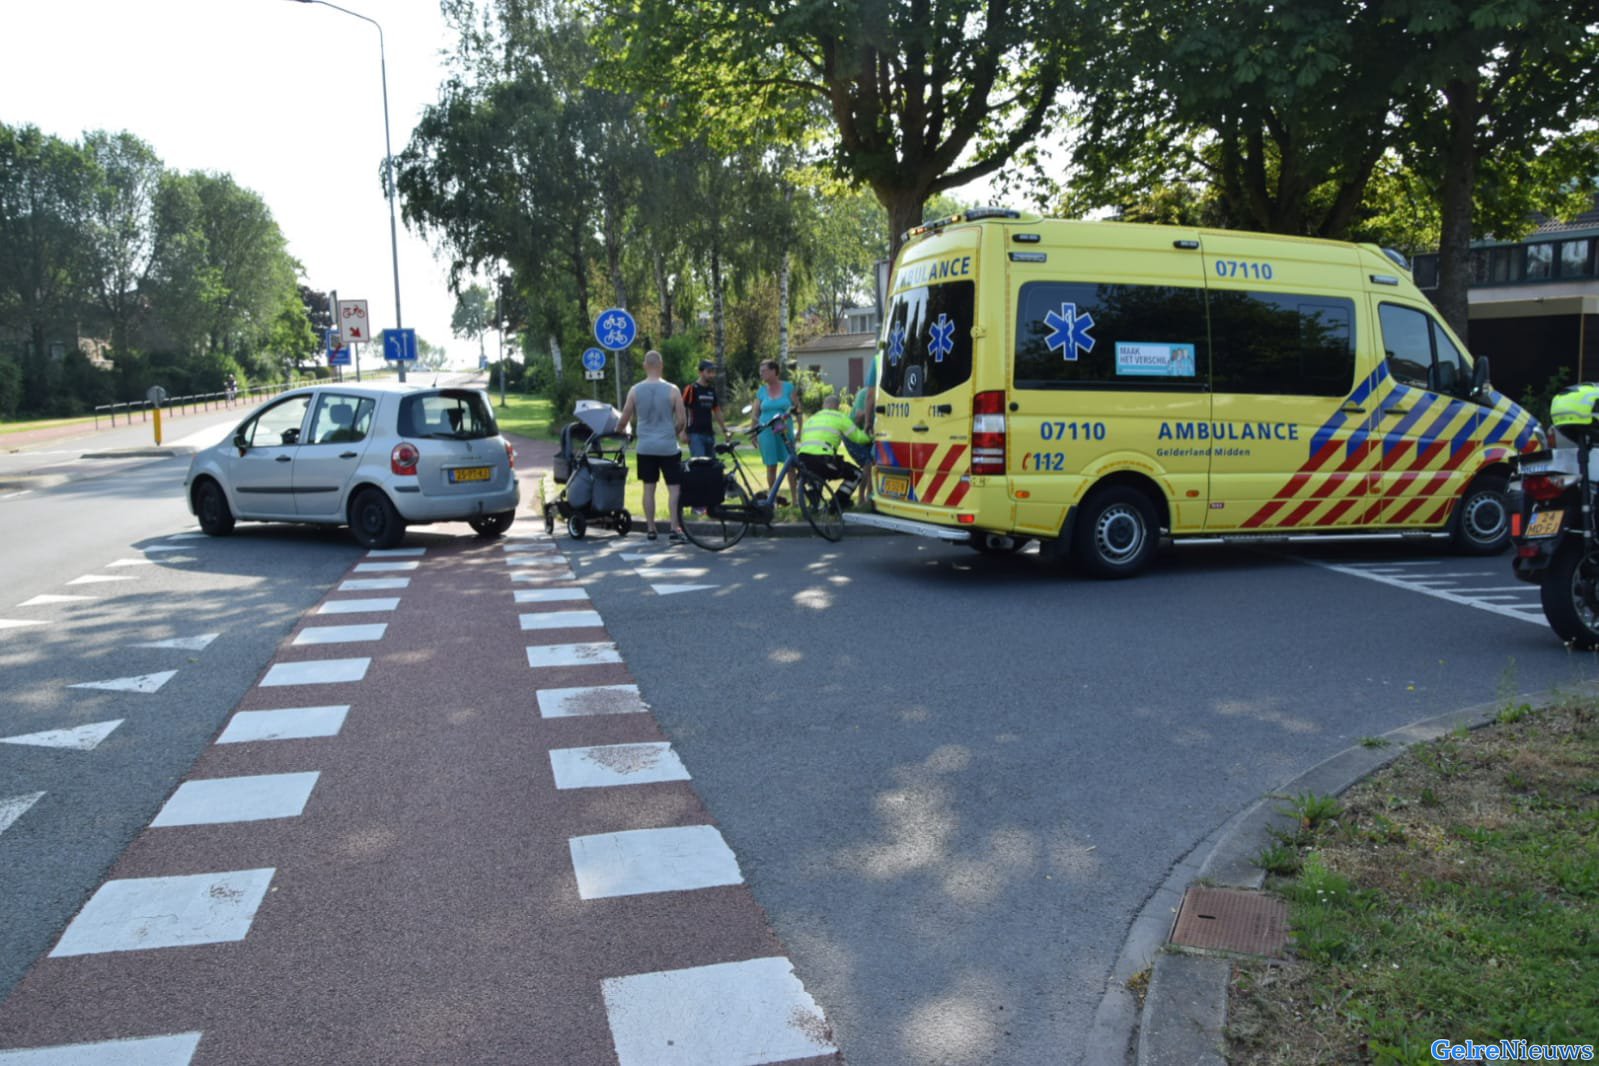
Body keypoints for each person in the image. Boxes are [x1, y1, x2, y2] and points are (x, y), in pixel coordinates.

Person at [618, 349, 688, 543]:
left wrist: (619, 428)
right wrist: (672, 433)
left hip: (645, 447)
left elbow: (625, 417)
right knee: (674, 488)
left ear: (644, 366)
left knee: (649, 488)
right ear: (661, 365)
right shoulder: (673, 390)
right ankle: (674, 527)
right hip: (668, 447)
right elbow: (682, 420)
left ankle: (651, 528)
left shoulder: (635, 390)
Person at [796, 394, 871, 505]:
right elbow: (859, 438)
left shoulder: (811, 419)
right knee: (856, 475)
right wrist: (871, 438)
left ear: (823, 406)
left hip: (803, 460)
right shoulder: (839, 417)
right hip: (824, 461)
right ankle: (837, 503)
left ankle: (814, 502)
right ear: (837, 407)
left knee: (815, 473)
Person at [749, 358, 802, 504]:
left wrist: (800, 429)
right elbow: (755, 413)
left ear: (774, 371)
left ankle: (796, 499)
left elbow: (798, 409)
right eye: (760, 371)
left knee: (790, 465)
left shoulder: (788, 387)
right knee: (771, 465)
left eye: (764, 371)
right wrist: (753, 431)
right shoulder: (761, 391)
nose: (761, 374)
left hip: (785, 429)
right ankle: (772, 500)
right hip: (766, 431)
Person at [682, 359, 728, 458]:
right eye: (709, 372)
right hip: (695, 435)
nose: (712, 375)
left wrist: (725, 429)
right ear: (700, 372)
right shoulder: (691, 389)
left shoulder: (711, 390)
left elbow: (717, 410)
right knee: (699, 466)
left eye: (713, 372)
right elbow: (683, 410)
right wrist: (682, 432)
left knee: (711, 467)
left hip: (709, 434)